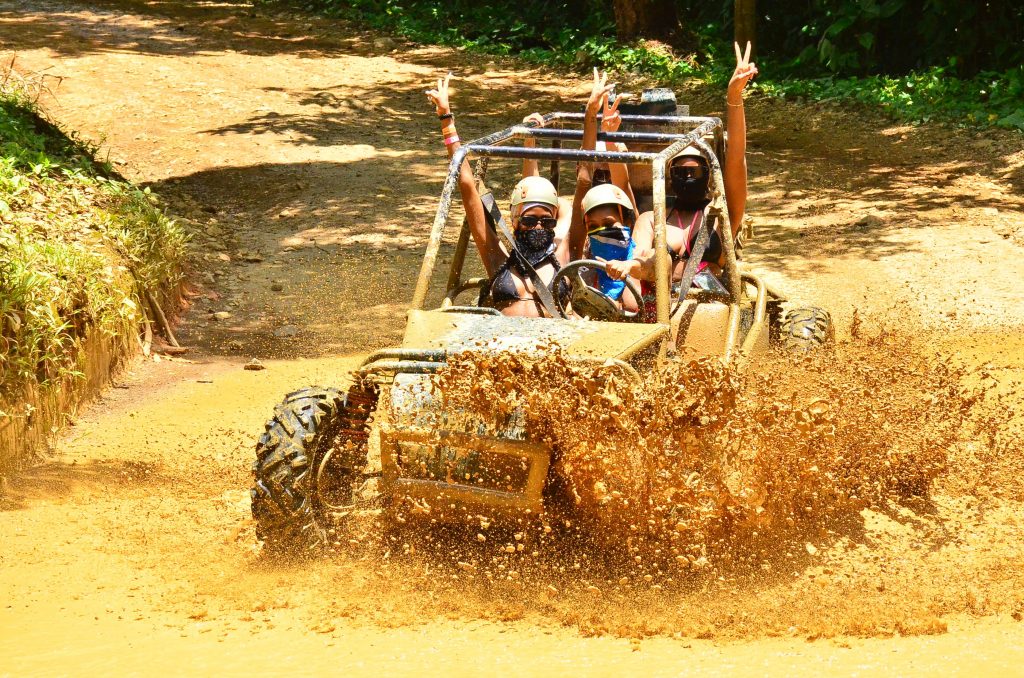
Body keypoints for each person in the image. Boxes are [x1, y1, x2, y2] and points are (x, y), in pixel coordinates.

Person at [425, 70, 613, 317]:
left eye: (546, 221)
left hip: (552, 346)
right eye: (529, 220)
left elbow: (584, 179)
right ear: (514, 221)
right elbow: (467, 185)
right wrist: (446, 119)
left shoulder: (567, 254)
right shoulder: (496, 257)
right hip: (501, 345)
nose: (538, 227)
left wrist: (591, 114)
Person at [603, 41, 758, 292]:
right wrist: (629, 266)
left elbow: (737, 156)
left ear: (707, 176)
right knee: (656, 258)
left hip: (710, 308)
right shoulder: (652, 219)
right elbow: (623, 190)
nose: (687, 177)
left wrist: (734, 98)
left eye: (694, 171)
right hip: (659, 307)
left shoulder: (721, 217)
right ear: (669, 177)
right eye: (680, 172)